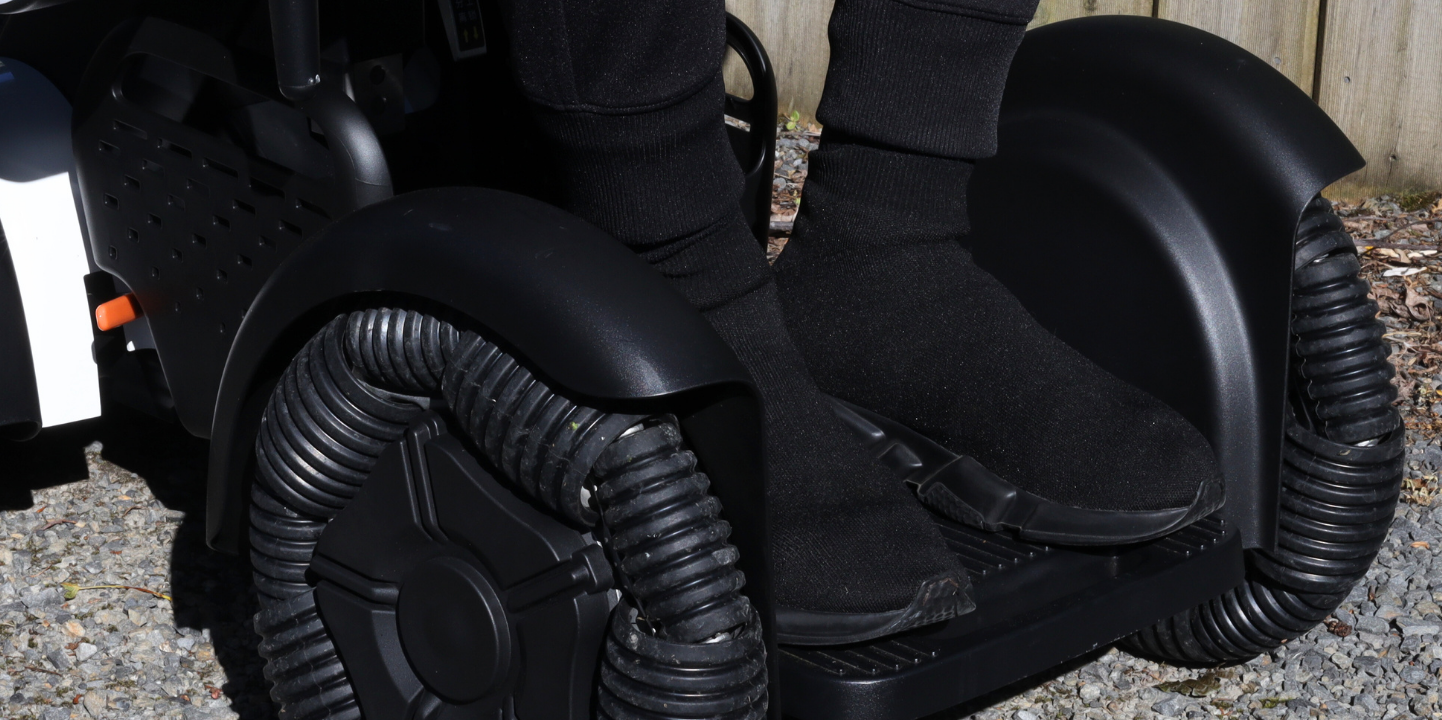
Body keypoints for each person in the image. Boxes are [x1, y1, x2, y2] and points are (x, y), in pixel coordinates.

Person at [495, 0, 1222, 644]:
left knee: (894, 209)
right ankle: (679, 270)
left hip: (886, 230)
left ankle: (884, 237)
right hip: (655, 272)